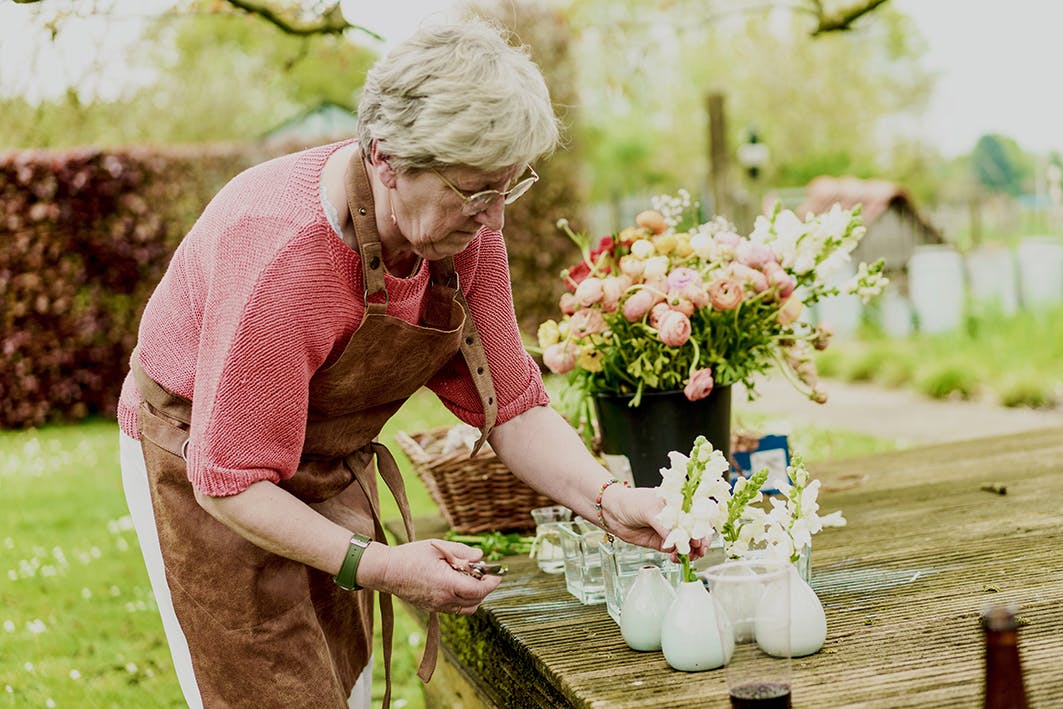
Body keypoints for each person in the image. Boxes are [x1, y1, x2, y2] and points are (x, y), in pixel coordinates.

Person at [117, 19, 700, 709]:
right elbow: (229, 478)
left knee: (343, 683)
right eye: (474, 190)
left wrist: (610, 500)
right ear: (386, 158)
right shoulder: (279, 252)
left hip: (323, 455)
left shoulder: (464, 234)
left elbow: (511, 406)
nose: (493, 223)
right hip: (202, 465)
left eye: (506, 189)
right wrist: (383, 563)